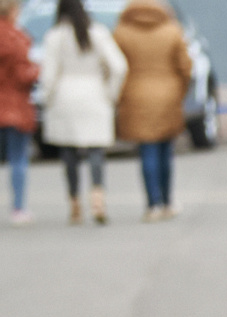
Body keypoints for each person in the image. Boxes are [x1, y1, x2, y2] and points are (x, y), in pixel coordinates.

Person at [33, 0, 121, 226]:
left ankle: (75, 204)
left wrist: (46, 99)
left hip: (65, 97)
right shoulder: (98, 33)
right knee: (96, 151)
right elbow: (119, 66)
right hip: (95, 95)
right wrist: (111, 93)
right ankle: (98, 199)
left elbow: (49, 75)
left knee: (69, 154)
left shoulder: (55, 36)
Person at [113, 0, 191, 222]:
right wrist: (179, 90)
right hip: (168, 94)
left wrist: (120, 96)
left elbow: (115, 67)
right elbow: (186, 66)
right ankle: (167, 201)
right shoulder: (172, 30)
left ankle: (152, 205)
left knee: (147, 151)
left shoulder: (121, 32)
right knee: (166, 151)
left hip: (136, 95)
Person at [0, 2, 37, 226]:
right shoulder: (15, 38)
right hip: (14, 104)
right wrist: (37, 71)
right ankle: (18, 207)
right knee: (18, 157)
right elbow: (23, 74)